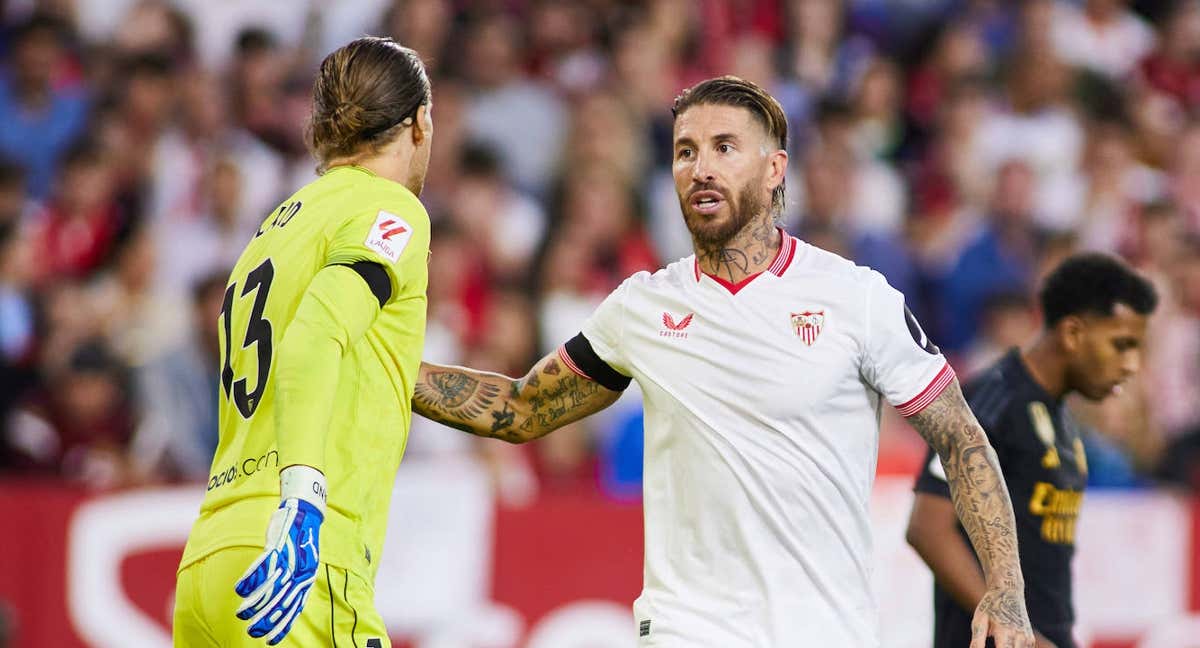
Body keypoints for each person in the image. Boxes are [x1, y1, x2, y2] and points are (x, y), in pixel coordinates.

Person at [413, 76, 1035, 648]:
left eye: (724, 148)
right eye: (685, 151)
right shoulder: (643, 307)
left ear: (774, 170)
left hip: (823, 630)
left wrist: (1005, 590)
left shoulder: (857, 299)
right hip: (688, 629)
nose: (701, 167)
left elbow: (961, 440)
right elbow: (523, 409)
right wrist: (380, 368)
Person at [173, 37, 433, 647]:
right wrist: (303, 499)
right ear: (420, 123)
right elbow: (315, 337)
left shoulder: (276, 224)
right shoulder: (391, 211)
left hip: (211, 555)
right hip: (298, 563)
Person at [906, 253, 1158, 648]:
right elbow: (928, 528)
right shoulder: (991, 401)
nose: (1131, 365)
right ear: (1073, 333)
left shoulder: (1060, 414)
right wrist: (1025, 637)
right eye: (1121, 345)